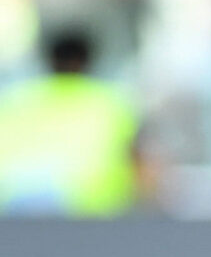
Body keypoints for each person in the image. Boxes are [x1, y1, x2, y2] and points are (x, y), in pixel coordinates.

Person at [0, 28, 140, 213]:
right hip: (87, 206)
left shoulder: (14, 98)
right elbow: (138, 160)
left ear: (50, 60)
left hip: (13, 203)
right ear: (86, 61)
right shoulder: (111, 102)